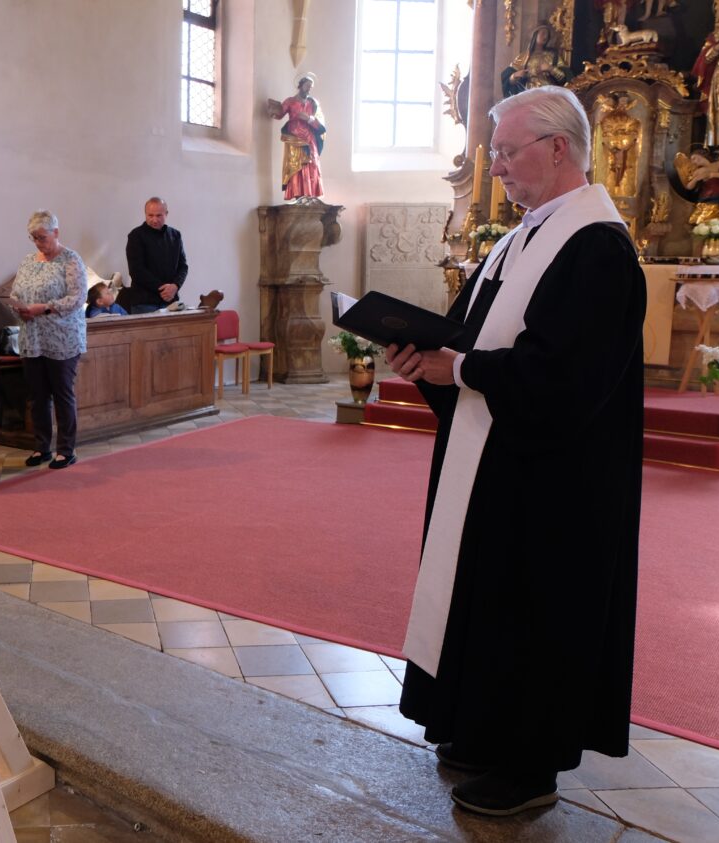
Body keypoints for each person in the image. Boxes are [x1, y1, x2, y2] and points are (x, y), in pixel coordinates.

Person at [387, 86, 645, 816]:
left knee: (538, 608)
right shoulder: (519, 237)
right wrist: (428, 359)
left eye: (505, 150)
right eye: (493, 151)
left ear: (559, 149)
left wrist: (458, 368)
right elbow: (470, 344)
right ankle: (485, 729)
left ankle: (528, 764)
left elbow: (565, 379)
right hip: (495, 466)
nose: (493, 165)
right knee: (490, 598)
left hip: (554, 485)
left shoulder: (596, 247)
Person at [8, 210, 87, 469]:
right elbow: (15, 292)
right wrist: (18, 307)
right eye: (34, 238)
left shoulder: (71, 260)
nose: (38, 243)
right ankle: (41, 447)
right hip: (33, 337)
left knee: (62, 394)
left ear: (56, 232)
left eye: (42, 237)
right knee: (38, 396)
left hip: (63, 338)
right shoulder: (29, 261)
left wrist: (44, 307)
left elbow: (76, 298)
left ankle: (66, 449)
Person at [265, 73, 325, 201]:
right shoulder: (290, 101)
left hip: (309, 138)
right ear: (300, 85)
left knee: (311, 163)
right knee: (295, 163)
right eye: (307, 86)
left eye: (311, 87)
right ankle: (298, 193)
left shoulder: (313, 103)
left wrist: (309, 118)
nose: (309, 89)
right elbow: (280, 113)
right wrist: (273, 110)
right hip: (294, 137)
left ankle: (310, 194)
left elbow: (321, 124)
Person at [124, 197, 188, 314]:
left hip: (171, 301)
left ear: (166, 214)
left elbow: (183, 266)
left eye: (159, 215)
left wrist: (175, 286)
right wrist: (163, 289)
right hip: (144, 302)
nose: (154, 220)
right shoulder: (136, 236)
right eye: (150, 215)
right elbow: (136, 270)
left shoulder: (175, 235)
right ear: (145, 214)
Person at [500, 24, 569, 97]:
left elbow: (564, 78)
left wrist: (550, 69)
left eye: (547, 35)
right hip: (528, 94)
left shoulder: (552, 56)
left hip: (547, 93)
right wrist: (514, 76)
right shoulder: (523, 57)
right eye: (543, 33)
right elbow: (509, 81)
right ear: (535, 34)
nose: (545, 37)